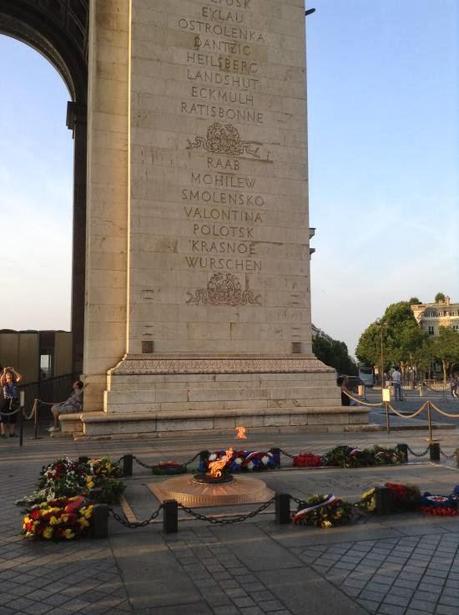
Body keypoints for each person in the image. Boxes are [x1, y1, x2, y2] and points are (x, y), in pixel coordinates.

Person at [0, 367, 22, 438]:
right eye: (7, 374)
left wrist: (13, 370)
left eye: (10, 374)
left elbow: (20, 377)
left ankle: (12, 433)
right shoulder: (4, 383)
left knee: (13, 418)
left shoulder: (14, 382)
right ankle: (3, 433)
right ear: (6, 376)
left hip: (14, 401)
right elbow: (1, 379)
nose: (9, 375)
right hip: (5, 401)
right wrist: (4, 371)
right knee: (4, 418)